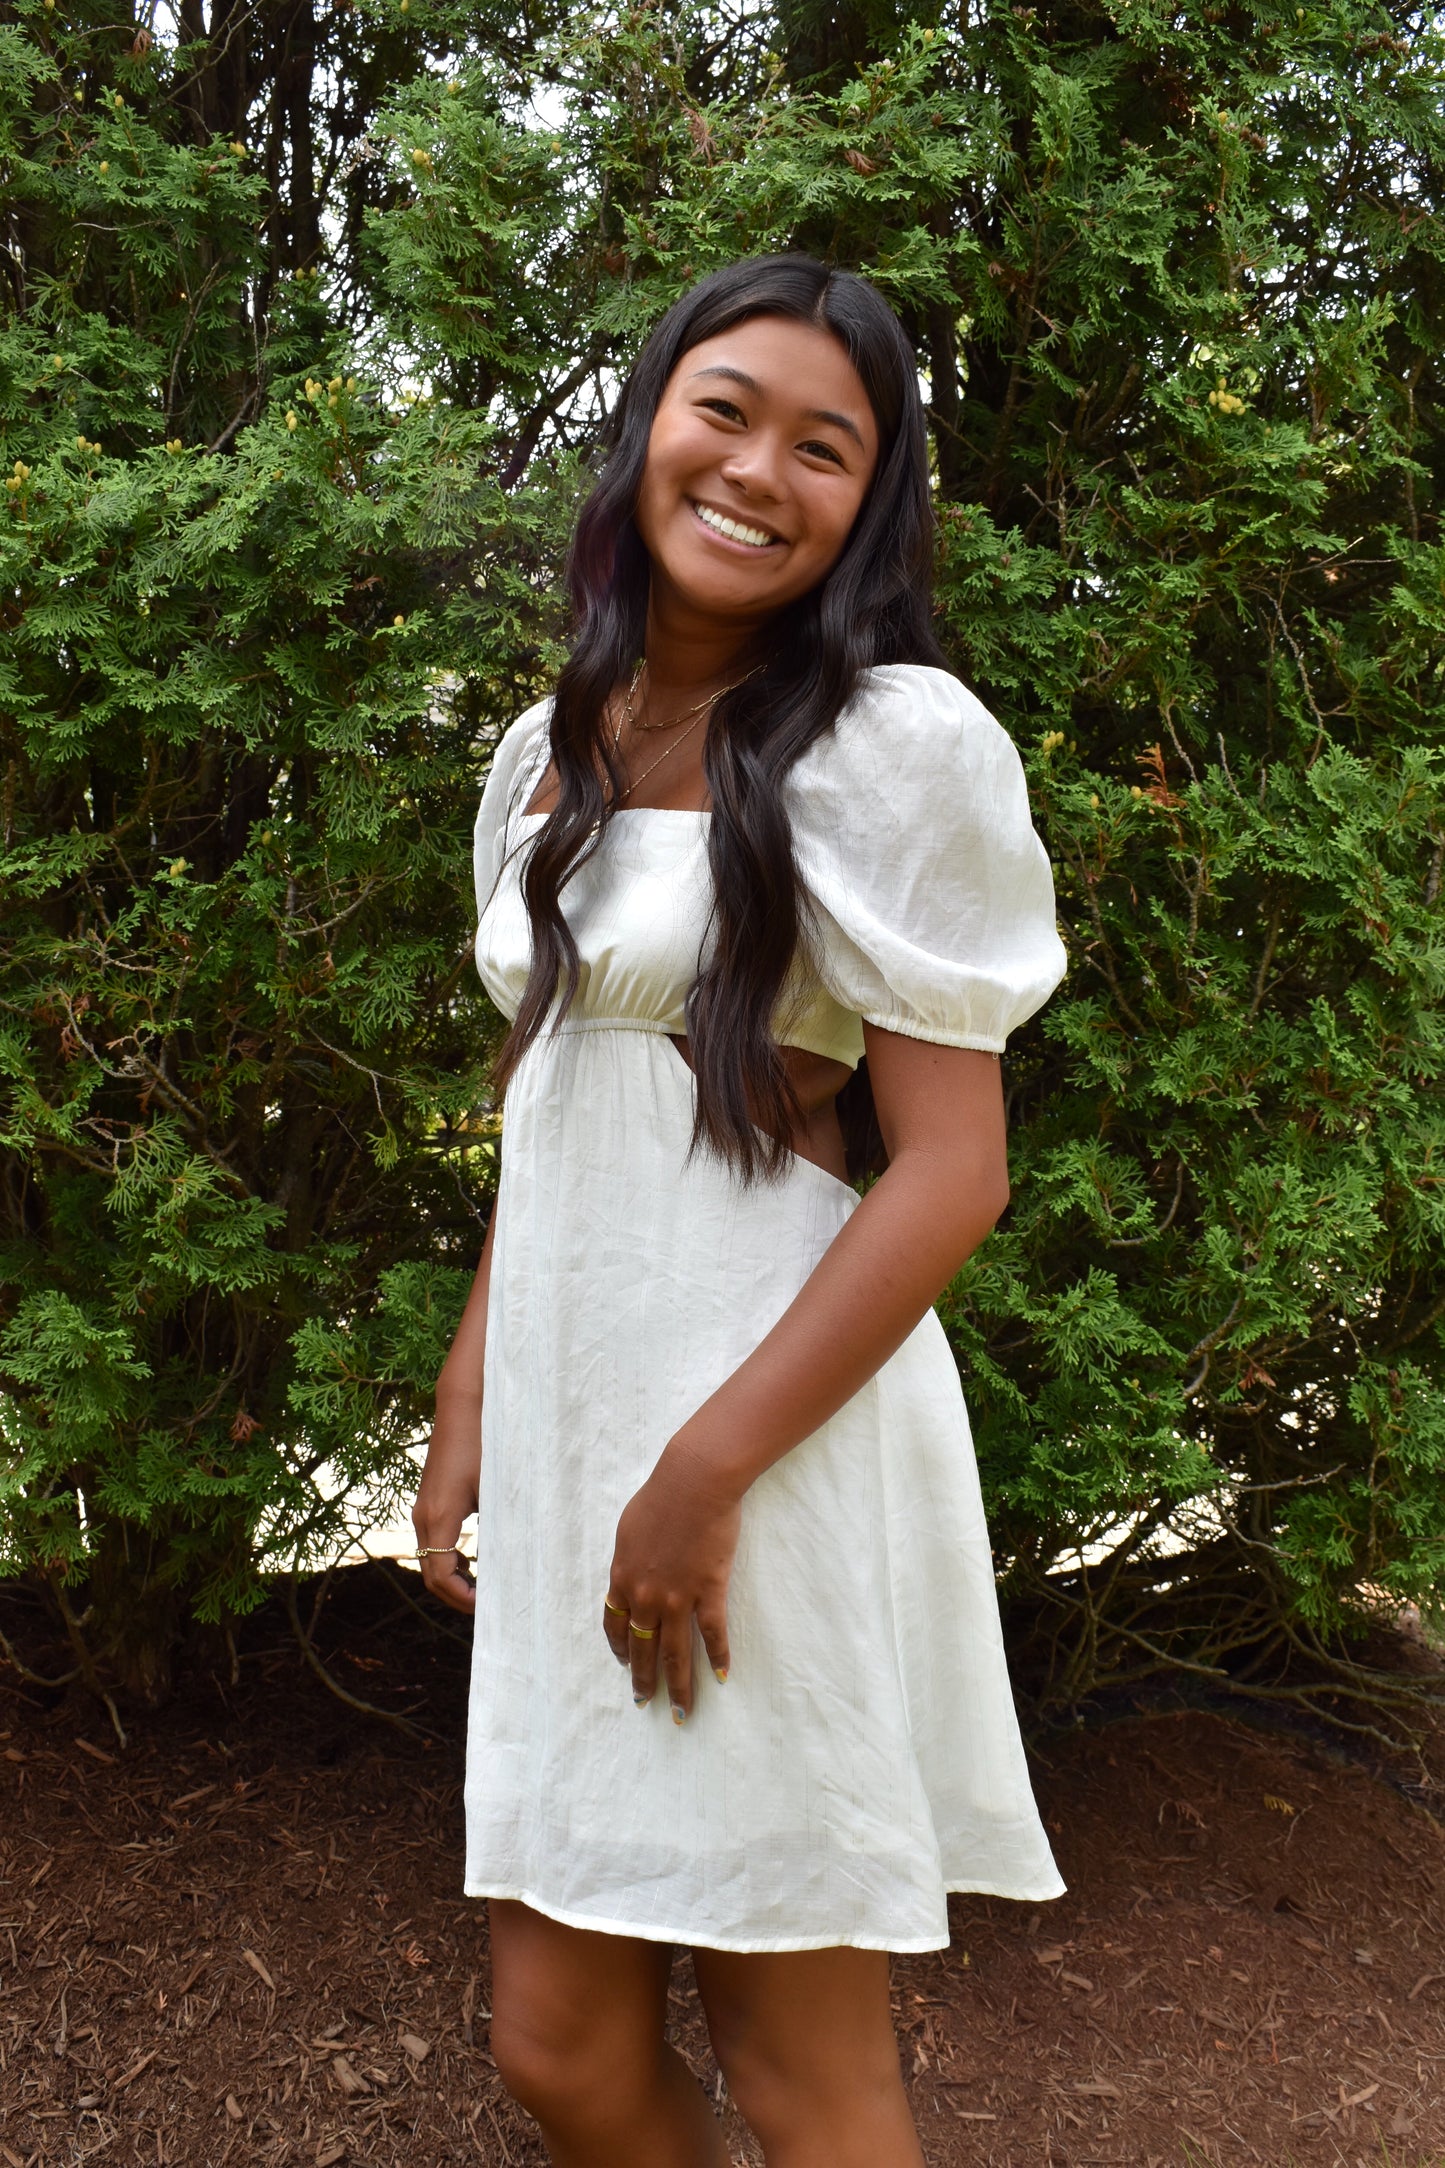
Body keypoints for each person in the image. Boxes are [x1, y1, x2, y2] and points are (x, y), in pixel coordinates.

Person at [412, 253, 1066, 2168]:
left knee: (801, 2068)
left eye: (825, 447)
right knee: (559, 2042)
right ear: (646, 426)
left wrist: (703, 1472)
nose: (759, 468)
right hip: (571, 1417)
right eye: (725, 411)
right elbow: (558, 1098)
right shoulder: (545, 751)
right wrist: (469, 1396)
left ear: (871, 505)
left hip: (763, 1443)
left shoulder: (896, 745)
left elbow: (952, 1169)